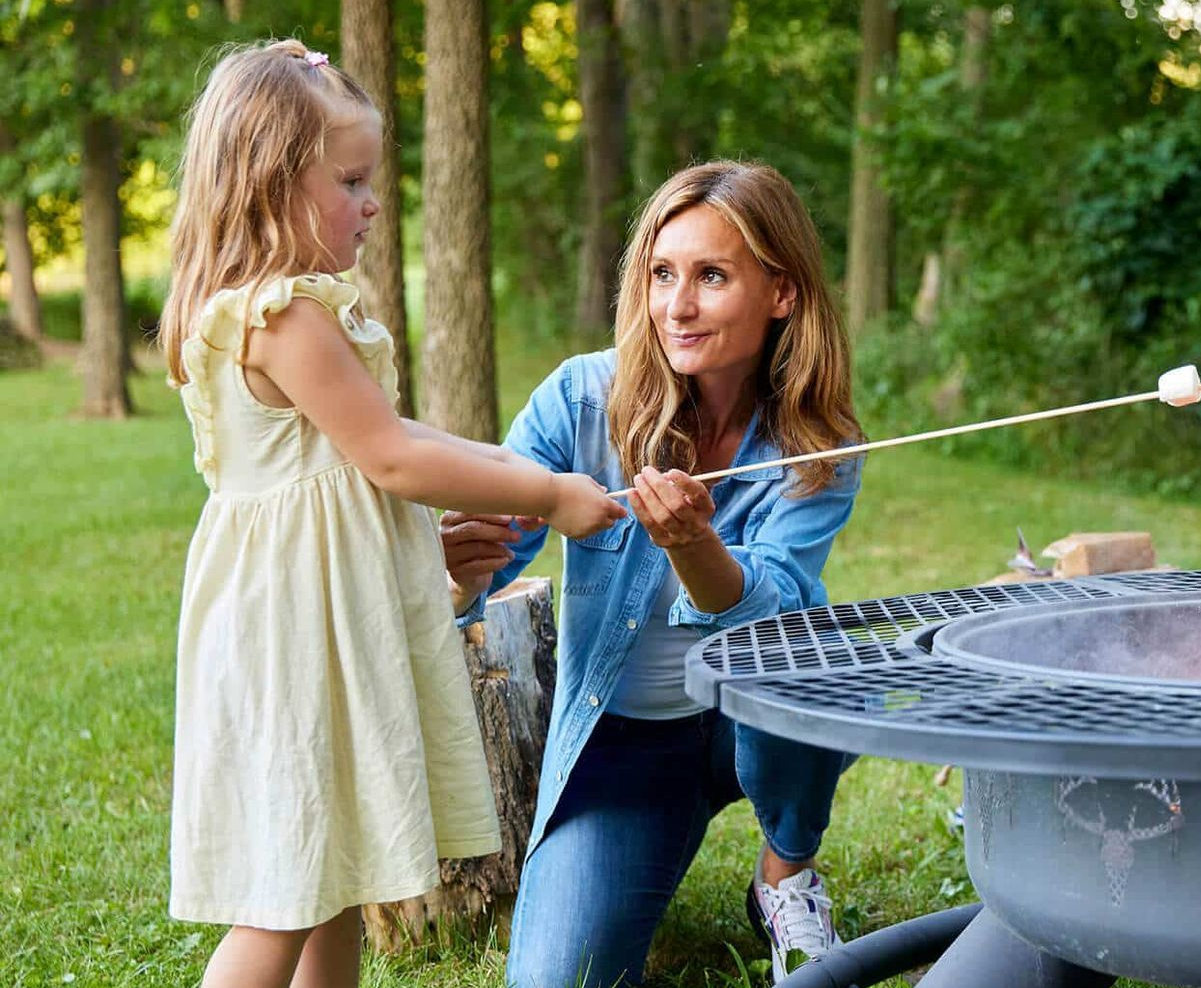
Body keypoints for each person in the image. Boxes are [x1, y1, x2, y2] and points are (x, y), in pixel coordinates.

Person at [159, 39, 628, 988]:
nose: (373, 204)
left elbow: (387, 430)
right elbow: (392, 457)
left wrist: (505, 460)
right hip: (298, 635)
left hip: (308, 622)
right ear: (271, 182)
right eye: (352, 180)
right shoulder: (282, 316)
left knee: (337, 878)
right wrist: (547, 495)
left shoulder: (270, 311)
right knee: (284, 900)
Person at [440, 160, 864, 986]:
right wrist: (459, 577)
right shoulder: (579, 400)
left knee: (800, 663)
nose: (677, 306)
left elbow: (776, 613)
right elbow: (488, 569)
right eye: (662, 274)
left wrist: (695, 548)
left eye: (711, 276)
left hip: (760, 717)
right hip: (628, 745)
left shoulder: (820, 442)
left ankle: (785, 873)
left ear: (781, 292)